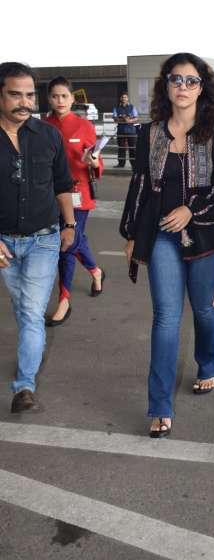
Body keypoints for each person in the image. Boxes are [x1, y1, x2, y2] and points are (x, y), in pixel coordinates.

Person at [120, 52, 214, 438]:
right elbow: (139, 184)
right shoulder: (150, 132)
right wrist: (132, 234)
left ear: (203, 88)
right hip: (161, 236)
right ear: (165, 86)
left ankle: (207, 363)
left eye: (191, 80)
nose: (183, 87)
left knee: (204, 310)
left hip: (205, 237)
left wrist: (191, 210)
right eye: (176, 79)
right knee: (167, 317)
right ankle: (159, 405)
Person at [0, 62, 75, 413]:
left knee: (31, 311)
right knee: (23, 309)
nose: (24, 101)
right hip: (4, 243)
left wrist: (70, 225)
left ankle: (24, 386)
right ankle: (28, 360)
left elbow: (63, 184)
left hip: (44, 238)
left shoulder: (48, 135)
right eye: (15, 94)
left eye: (30, 94)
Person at [44, 76, 105, 326]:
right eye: (55, 96)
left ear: (72, 98)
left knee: (67, 244)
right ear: (49, 98)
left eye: (64, 96)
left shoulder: (83, 126)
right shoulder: (42, 126)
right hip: (49, 196)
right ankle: (96, 271)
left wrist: (94, 163)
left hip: (78, 195)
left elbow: (97, 160)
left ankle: (64, 299)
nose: (60, 101)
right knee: (77, 240)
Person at [113, 92, 139, 169]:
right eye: (122, 97)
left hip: (131, 131)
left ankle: (134, 165)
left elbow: (136, 117)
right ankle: (121, 164)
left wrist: (130, 121)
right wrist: (122, 119)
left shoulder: (132, 107)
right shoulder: (116, 108)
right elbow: (114, 118)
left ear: (127, 99)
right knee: (121, 148)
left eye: (125, 97)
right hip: (121, 130)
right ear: (120, 99)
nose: (124, 99)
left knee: (132, 148)